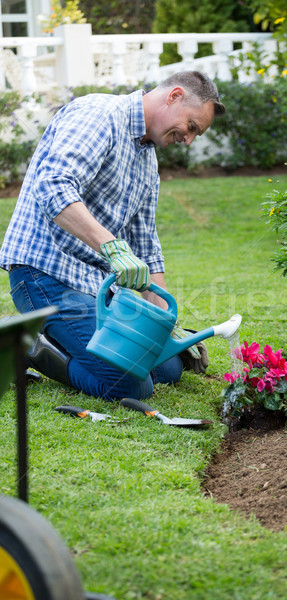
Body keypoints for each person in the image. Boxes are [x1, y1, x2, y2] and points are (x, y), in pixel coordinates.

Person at [0, 71, 226, 401]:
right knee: (131, 385)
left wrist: (165, 322)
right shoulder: (99, 116)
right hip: (44, 275)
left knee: (167, 367)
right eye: (191, 126)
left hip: (93, 286)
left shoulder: (148, 162)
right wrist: (111, 246)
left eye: (196, 134)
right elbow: (52, 185)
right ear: (174, 96)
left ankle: (69, 340)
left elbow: (145, 243)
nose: (188, 139)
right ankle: (26, 345)